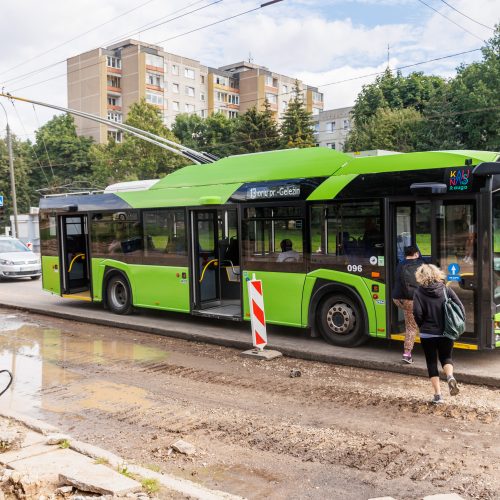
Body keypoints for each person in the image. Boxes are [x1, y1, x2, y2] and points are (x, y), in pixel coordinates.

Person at [413, 264, 465, 404]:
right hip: (446, 332)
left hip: (427, 334)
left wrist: (422, 326)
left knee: (431, 362)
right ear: (437, 273)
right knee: (446, 357)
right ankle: (449, 376)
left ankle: (438, 395)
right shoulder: (445, 289)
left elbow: (417, 313)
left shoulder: (418, 292)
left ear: (420, 276)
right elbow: (460, 307)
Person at [393, 245, 423, 364]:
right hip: (410, 299)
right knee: (411, 327)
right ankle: (407, 355)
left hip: (397, 298)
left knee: (412, 321)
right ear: (416, 253)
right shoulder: (419, 264)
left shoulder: (400, 264)